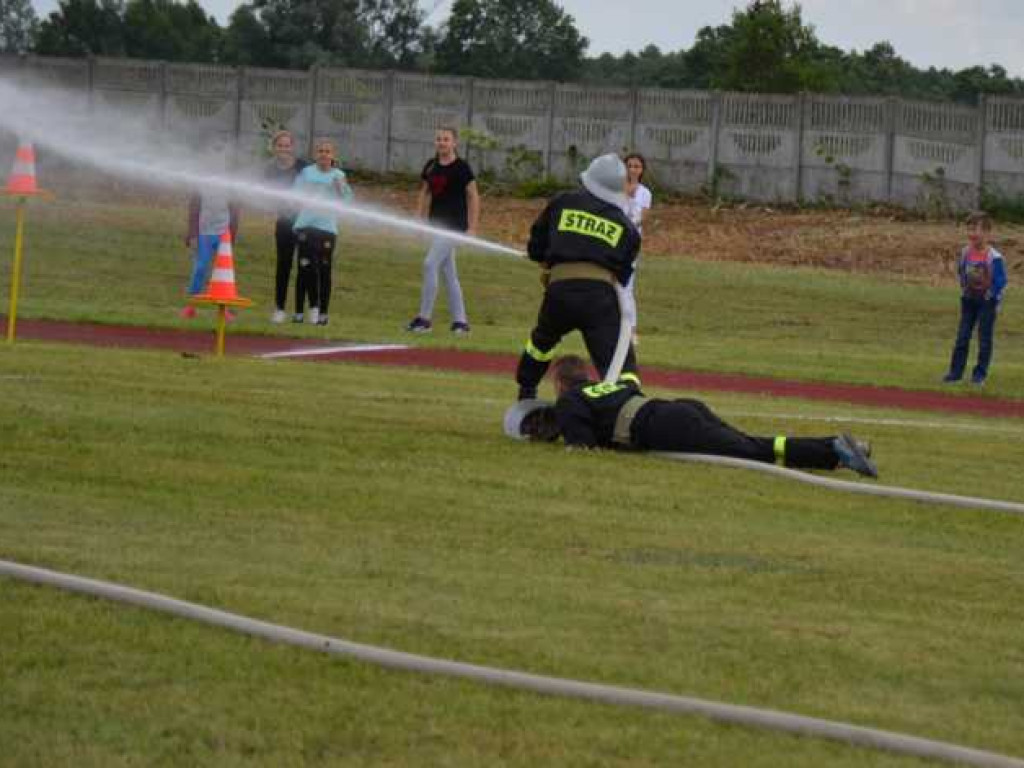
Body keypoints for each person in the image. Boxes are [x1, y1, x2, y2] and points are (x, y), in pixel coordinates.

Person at [506, 355, 878, 478]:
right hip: (679, 408)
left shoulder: (571, 403)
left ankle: (834, 449)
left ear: (558, 384)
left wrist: (554, 431)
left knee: (751, 451)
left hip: (667, 425)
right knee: (749, 444)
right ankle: (840, 449)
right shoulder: (605, 387)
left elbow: (582, 448)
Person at [514, 153, 642, 401]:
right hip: (600, 299)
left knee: (541, 342)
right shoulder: (626, 226)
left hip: (559, 293)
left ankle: (526, 392)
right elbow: (622, 276)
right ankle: (630, 402)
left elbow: (536, 247)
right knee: (618, 357)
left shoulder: (562, 202)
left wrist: (550, 263)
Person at [406, 127, 480, 335]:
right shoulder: (431, 166)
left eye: (446, 139)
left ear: (454, 143)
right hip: (436, 227)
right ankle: (461, 322)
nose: (442, 143)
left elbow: (474, 196)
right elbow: (424, 193)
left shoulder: (462, 167)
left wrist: (472, 227)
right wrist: (419, 220)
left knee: (429, 264)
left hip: (454, 226)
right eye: (438, 139)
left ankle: (424, 319)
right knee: (449, 274)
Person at [291, 138, 353, 326]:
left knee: (324, 271)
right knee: (305, 269)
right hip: (305, 227)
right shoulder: (306, 173)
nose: (324, 155)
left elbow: (347, 201)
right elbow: (295, 196)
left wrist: (339, 189)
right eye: (320, 151)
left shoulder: (338, 175)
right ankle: (300, 312)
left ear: (333, 155)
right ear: (315, 154)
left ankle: (323, 313)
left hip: (327, 229)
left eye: (327, 151)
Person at [942, 211, 1009, 386]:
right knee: (962, 336)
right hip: (969, 300)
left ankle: (979, 375)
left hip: (987, 302)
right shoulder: (966, 252)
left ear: (986, 233)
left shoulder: (994, 257)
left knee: (984, 338)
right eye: (969, 229)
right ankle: (955, 373)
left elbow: (1001, 280)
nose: (972, 233)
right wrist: (964, 286)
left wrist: (991, 293)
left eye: (975, 229)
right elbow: (961, 270)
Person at [181, 140, 239, 320]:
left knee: (223, 273)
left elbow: (235, 212)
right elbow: (194, 209)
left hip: (224, 234)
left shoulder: (232, 185)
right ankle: (191, 306)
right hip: (204, 233)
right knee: (200, 268)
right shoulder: (200, 183)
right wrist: (192, 234)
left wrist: (232, 235)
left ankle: (224, 310)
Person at [264, 130, 309, 324]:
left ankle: (301, 311)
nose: (284, 149)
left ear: (292, 147)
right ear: (274, 148)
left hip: (305, 223)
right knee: (283, 265)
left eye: (287, 145)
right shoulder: (270, 170)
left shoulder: (303, 167)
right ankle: (280, 309)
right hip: (283, 223)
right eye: (280, 145)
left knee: (305, 266)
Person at [623, 152, 652, 345]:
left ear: (642, 170)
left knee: (627, 287)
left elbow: (642, 218)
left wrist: (632, 200)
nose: (633, 169)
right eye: (630, 165)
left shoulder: (644, 193)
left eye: (637, 166)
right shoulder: (616, 189)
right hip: (613, 240)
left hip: (630, 243)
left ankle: (631, 330)